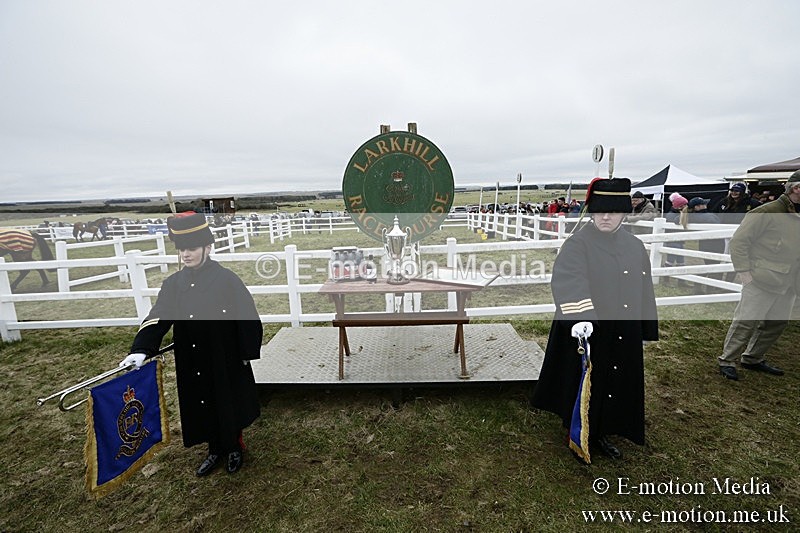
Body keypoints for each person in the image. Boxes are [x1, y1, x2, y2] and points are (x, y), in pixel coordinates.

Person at [120, 213, 263, 475]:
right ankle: (214, 449)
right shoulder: (174, 284)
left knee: (227, 400)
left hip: (224, 353)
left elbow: (247, 315)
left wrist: (246, 351)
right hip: (192, 355)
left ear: (208, 247)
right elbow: (159, 314)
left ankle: (233, 446)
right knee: (202, 401)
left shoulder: (227, 279)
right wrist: (141, 348)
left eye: (192, 248)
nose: (186, 254)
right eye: (182, 249)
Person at [531, 178, 658, 463]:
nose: (605, 217)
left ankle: (606, 427)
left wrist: (644, 326)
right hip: (588, 328)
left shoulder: (635, 246)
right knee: (586, 379)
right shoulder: (578, 244)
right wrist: (581, 318)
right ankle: (579, 429)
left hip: (623, 327)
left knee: (615, 379)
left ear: (624, 213)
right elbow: (569, 280)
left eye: (613, 211)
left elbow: (643, 285)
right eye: (600, 211)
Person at [717, 171, 800, 380]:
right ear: (796, 188)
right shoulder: (766, 211)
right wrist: (744, 272)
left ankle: (753, 357)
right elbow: (739, 242)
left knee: (776, 323)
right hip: (762, 277)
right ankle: (727, 359)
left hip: (790, 280)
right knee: (746, 321)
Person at [686, 197, 725, 293]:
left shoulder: (690, 216)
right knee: (713, 266)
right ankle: (709, 288)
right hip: (717, 244)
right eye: (703, 204)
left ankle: (700, 285)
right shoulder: (710, 216)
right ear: (697, 207)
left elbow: (677, 219)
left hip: (704, 244)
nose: (706, 205)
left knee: (709, 265)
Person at [663, 193, 689, 286]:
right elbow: (676, 222)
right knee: (670, 260)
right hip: (673, 240)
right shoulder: (671, 215)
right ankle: (666, 280)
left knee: (681, 261)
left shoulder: (677, 213)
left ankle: (681, 281)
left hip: (679, 240)